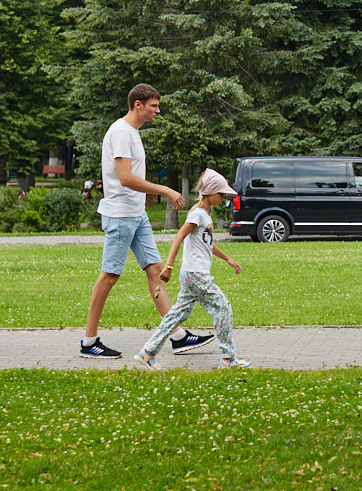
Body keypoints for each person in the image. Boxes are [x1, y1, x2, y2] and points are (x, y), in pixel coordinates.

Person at [80, 84, 214, 359]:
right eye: (154, 105)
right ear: (138, 104)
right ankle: (88, 341)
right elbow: (125, 178)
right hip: (119, 214)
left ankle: (177, 336)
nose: (158, 110)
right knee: (109, 275)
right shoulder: (120, 132)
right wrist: (164, 190)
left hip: (135, 214)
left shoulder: (133, 133)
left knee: (155, 270)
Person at [134, 169, 249, 370]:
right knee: (223, 308)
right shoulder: (197, 214)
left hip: (190, 275)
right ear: (211, 193)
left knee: (176, 315)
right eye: (221, 194)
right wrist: (168, 266)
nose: (222, 198)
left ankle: (147, 352)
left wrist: (228, 259)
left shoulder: (204, 214)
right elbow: (179, 237)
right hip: (196, 275)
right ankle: (228, 359)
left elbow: (207, 244)